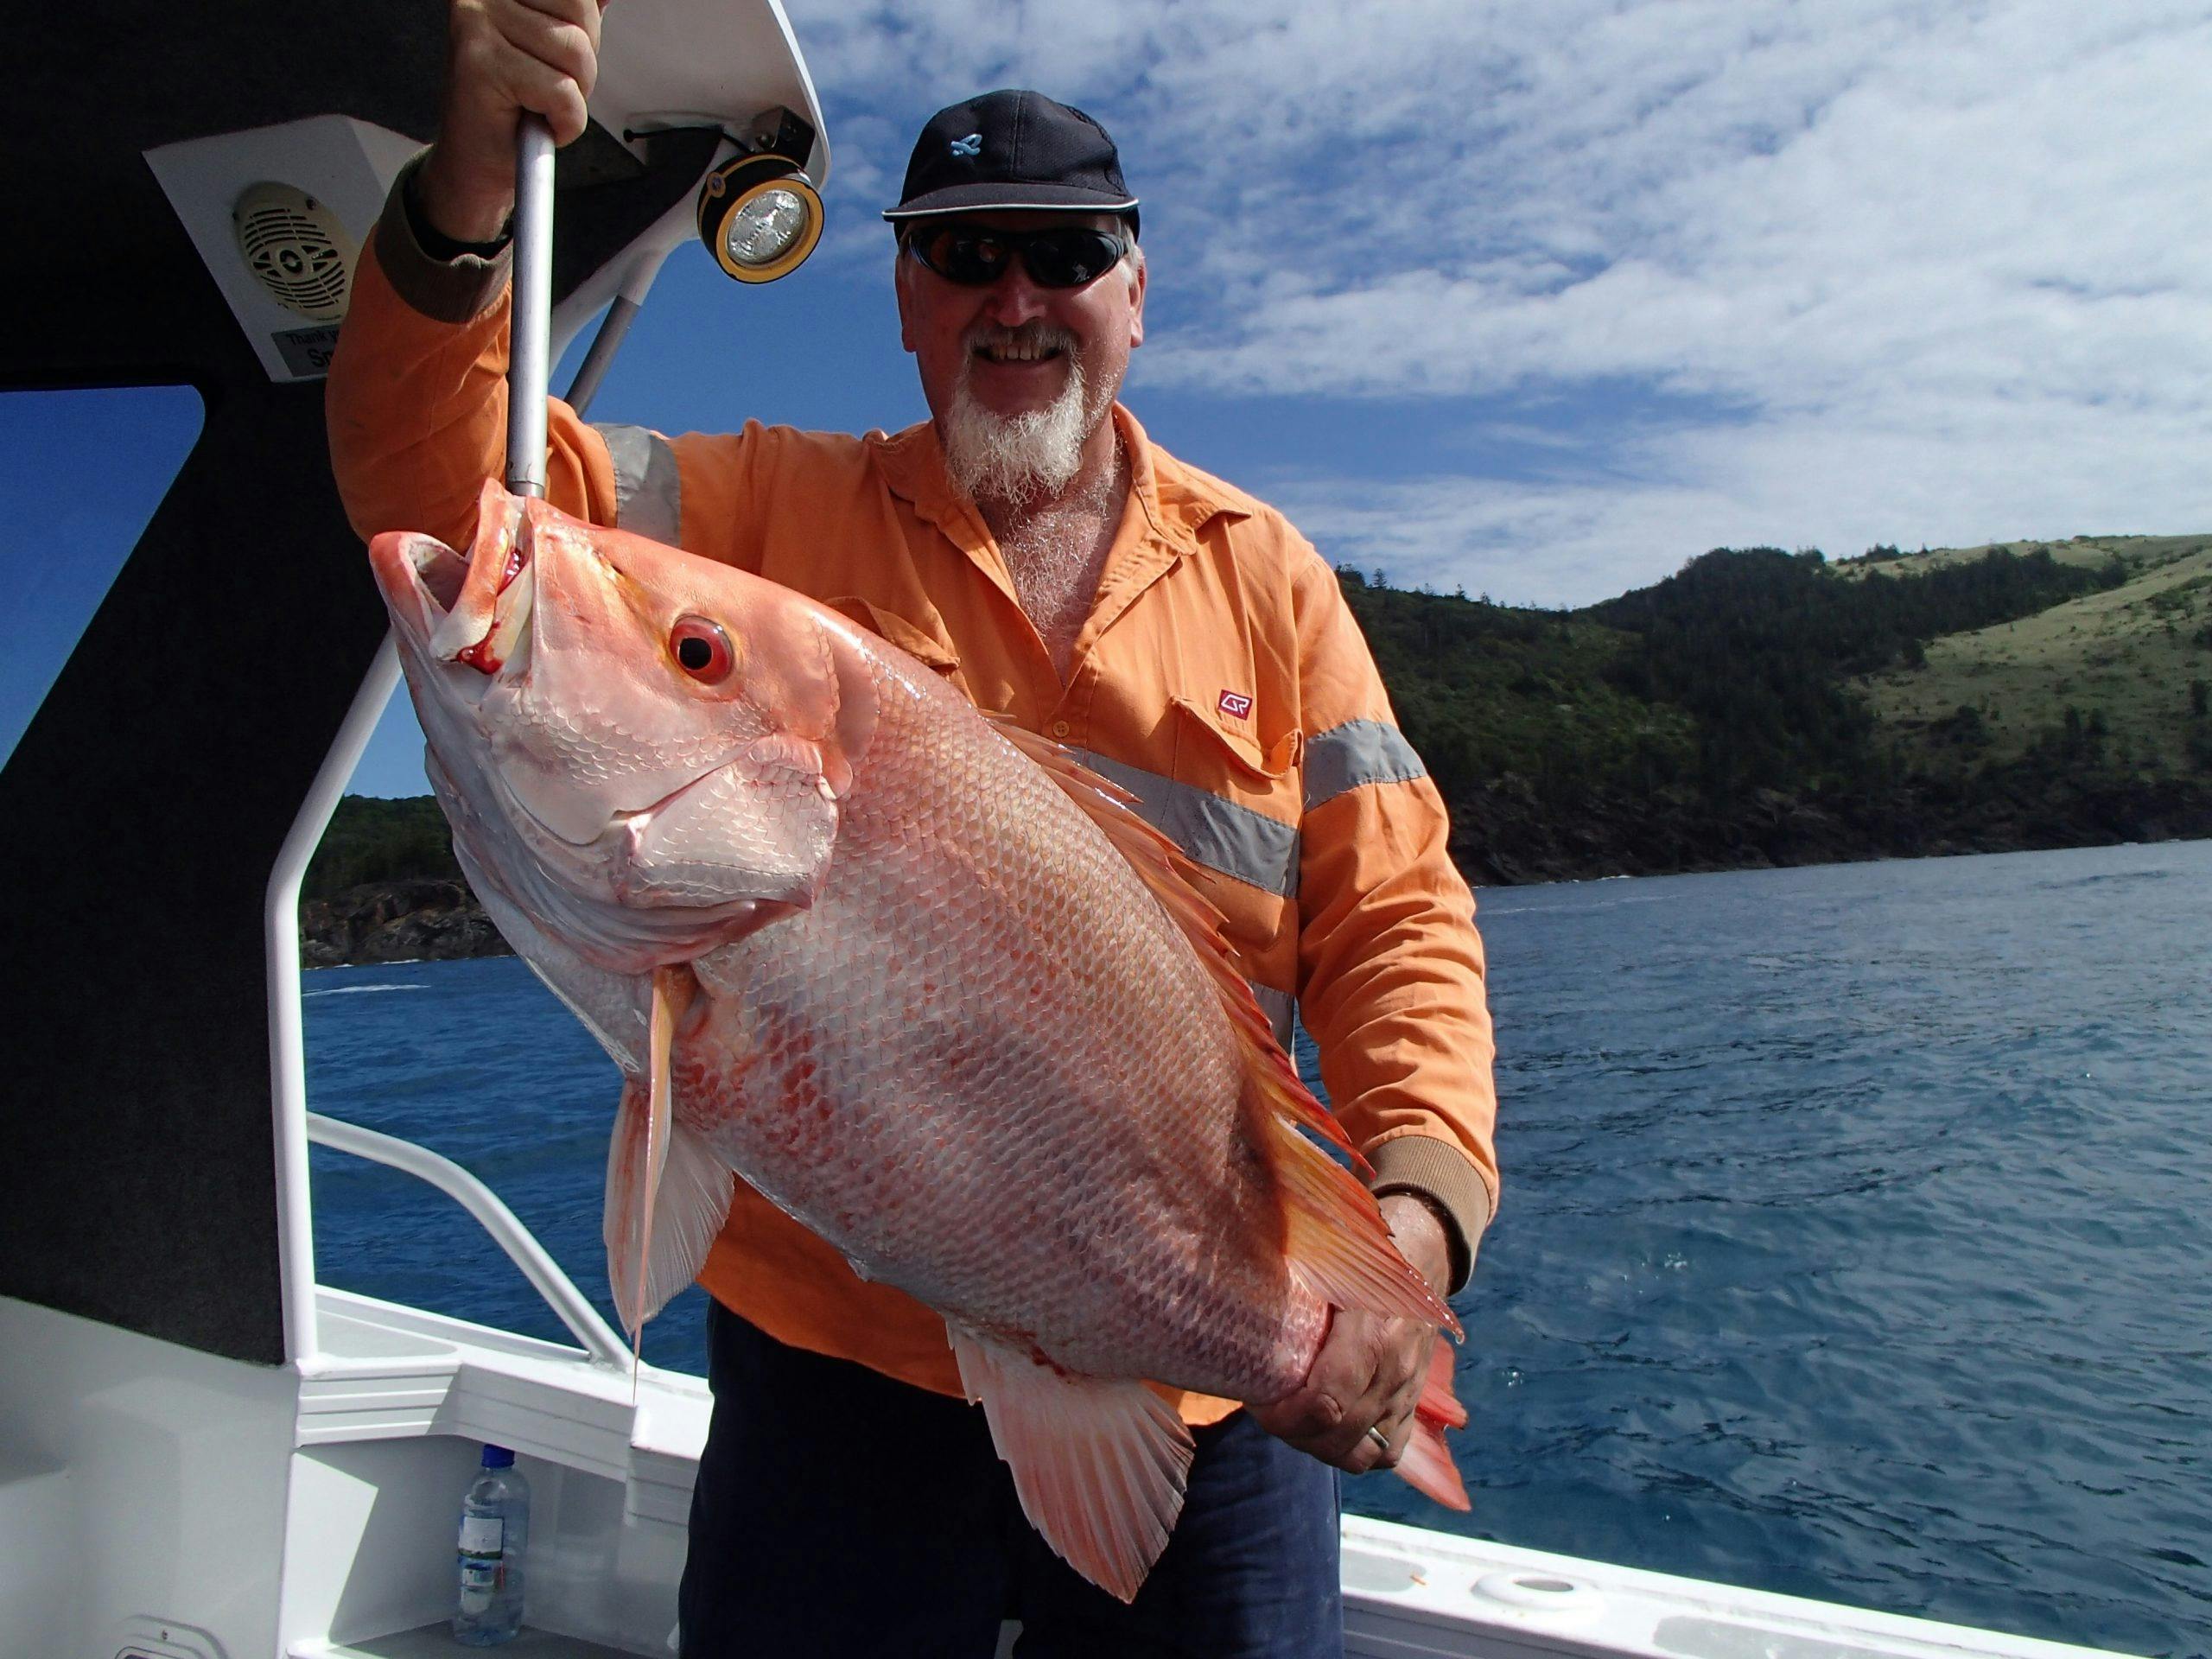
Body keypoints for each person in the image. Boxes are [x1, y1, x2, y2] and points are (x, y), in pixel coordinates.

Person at [327, 3, 1498, 1653]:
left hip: (1207, 1399)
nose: (1013, 297)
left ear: (1137, 294)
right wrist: (461, 206)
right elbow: (444, 498)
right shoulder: (750, 510)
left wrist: (1415, 1232)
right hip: (837, 1402)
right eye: (960, 256)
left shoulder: (1270, 581)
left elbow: (1397, 923)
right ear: (901, 300)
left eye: (1065, 251)